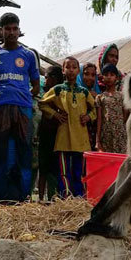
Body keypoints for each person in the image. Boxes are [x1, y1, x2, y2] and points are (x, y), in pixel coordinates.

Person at [0, 13, 40, 201]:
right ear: (1, 30)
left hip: (23, 108)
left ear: (19, 30)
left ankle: (23, 198)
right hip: (0, 108)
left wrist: (21, 96)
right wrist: (4, 96)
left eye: (14, 28)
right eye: (7, 28)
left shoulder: (28, 55)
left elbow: (36, 85)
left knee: (24, 151)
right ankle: (1, 198)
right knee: (0, 152)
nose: (11, 32)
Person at [39, 57, 96, 197]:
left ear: (78, 71)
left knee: (79, 172)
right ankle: (65, 198)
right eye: (68, 67)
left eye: (74, 67)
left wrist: (89, 116)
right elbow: (42, 103)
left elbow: (96, 108)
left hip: (81, 140)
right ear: (63, 70)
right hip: (63, 138)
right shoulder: (58, 90)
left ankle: (79, 198)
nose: (71, 70)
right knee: (63, 172)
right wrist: (55, 115)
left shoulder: (84, 92)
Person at [37, 66, 63, 201]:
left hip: (57, 135)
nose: (46, 80)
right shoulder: (45, 94)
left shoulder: (61, 94)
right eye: (45, 77)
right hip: (45, 134)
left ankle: (54, 197)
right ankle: (41, 198)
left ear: (56, 79)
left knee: (54, 168)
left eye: (48, 77)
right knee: (43, 168)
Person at [95, 63, 128, 154]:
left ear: (116, 78)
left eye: (112, 75)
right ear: (102, 77)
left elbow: (125, 116)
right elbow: (99, 119)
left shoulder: (122, 96)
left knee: (120, 162)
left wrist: (119, 127)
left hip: (120, 135)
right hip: (106, 135)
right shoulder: (100, 97)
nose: (109, 77)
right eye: (106, 75)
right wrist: (98, 140)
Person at [78, 62, 100, 150]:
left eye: (93, 75)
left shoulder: (98, 95)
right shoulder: (74, 92)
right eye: (86, 74)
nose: (90, 78)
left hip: (92, 134)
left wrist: (89, 116)